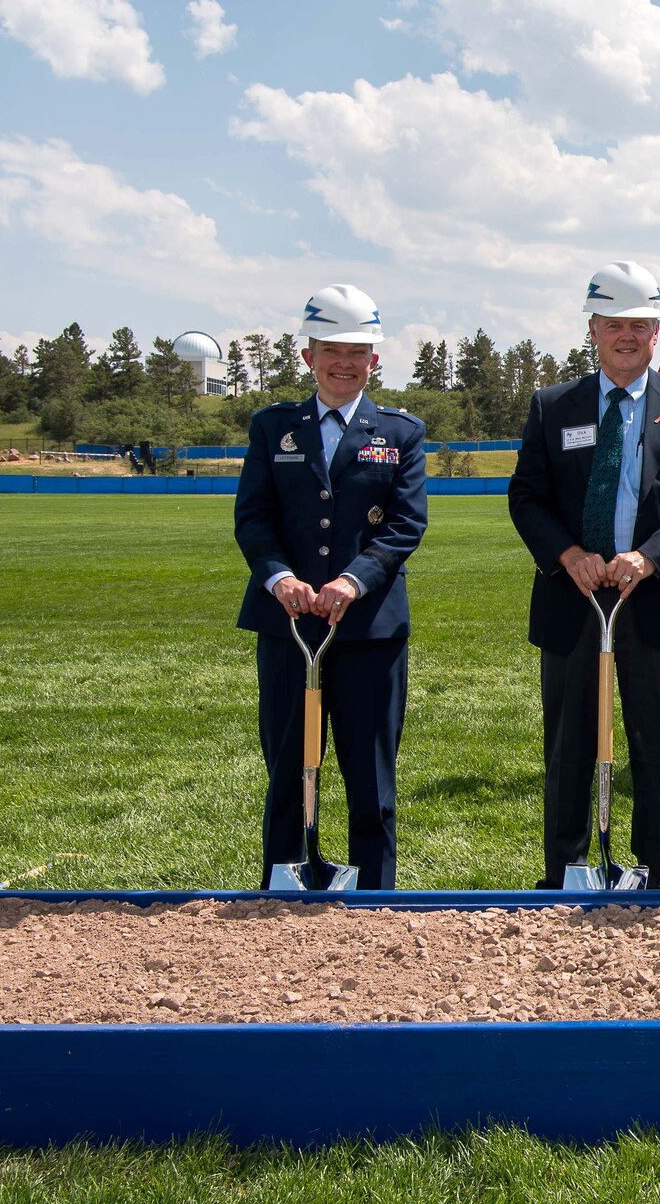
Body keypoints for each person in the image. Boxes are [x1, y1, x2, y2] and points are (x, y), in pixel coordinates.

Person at [508, 260, 660, 891]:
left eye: (639, 324)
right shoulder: (553, 407)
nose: (626, 336)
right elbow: (527, 496)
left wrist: (650, 556)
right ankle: (567, 870)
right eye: (613, 325)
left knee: (659, 748)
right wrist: (568, 554)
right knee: (569, 745)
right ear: (593, 329)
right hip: (573, 599)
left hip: (656, 598)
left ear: (657, 331)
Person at [234, 283, 427, 889]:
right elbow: (254, 517)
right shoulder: (273, 428)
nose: (344, 362)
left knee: (371, 774)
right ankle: (283, 887)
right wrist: (278, 578)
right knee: (289, 766)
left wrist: (353, 581)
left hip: (369, 628)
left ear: (376, 360)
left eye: (358, 351)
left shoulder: (399, 431)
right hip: (288, 624)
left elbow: (405, 524)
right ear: (307, 356)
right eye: (331, 349)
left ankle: (374, 896)